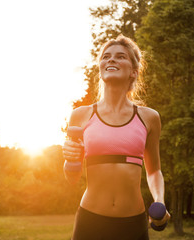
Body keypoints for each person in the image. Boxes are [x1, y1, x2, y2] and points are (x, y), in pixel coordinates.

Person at [63, 34, 171, 240]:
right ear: (101, 68)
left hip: (133, 223)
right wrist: (71, 159)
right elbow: (72, 178)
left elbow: (154, 170)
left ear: (134, 71)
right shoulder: (80, 115)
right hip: (90, 221)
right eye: (106, 56)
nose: (111, 59)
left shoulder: (149, 117)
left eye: (120, 56)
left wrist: (159, 201)